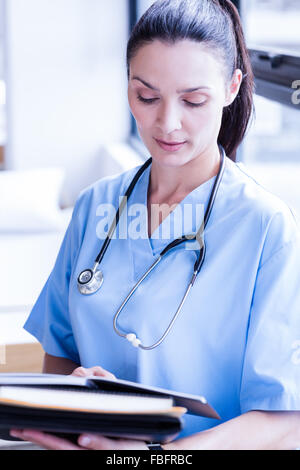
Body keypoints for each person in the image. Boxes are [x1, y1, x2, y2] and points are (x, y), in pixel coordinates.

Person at [10, 0, 300, 450]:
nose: (167, 123)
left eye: (193, 100)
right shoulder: (95, 208)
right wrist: (80, 399)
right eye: (146, 96)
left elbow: (283, 422)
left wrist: (156, 459)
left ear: (231, 87)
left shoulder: (266, 228)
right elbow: (60, 359)